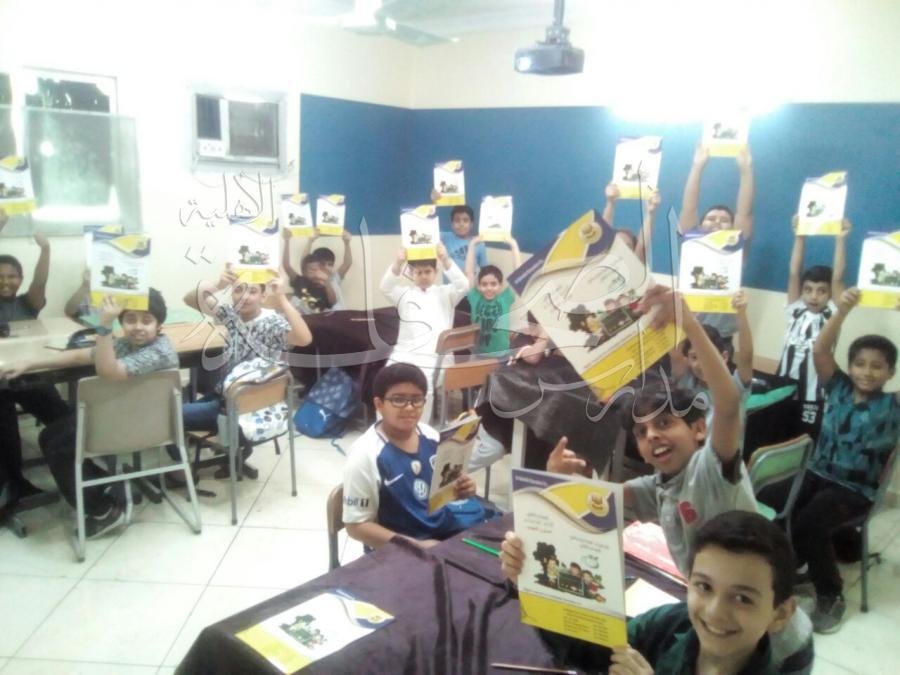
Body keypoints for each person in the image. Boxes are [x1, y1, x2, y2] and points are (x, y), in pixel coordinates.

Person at [500, 510, 803, 675]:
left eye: (743, 598)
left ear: (780, 613)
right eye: (704, 586)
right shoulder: (670, 624)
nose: (714, 611)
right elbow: (594, 648)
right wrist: (535, 584)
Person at [759, 288, 898, 634]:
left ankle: (830, 594)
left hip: (855, 490)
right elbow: (820, 349)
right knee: (768, 498)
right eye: (860, 364)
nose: (867, 372)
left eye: (877, 366)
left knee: (810, 522)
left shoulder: (893, 406)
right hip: (816, 473)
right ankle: (790, 563)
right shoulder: (837, 386)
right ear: (850, 366)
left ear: (890, 372)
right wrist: (843, 311)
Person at [0, 290, 178, 538]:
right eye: (130, 319)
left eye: (146, 321)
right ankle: (104, 486)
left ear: (159, 325)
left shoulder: (158, 351)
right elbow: (80, 356)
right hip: (124, 414)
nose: (138, 327)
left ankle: (103, 511)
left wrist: (104, 326)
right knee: (53, 434)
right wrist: (30, 363)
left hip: (143, 426)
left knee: (58, 442)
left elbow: (108, 372)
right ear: (122, 322)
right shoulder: (125, 344)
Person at [342, 362, 487, 549]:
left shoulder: (431, 435)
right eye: (398, 399)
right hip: (399, 549)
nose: (410, 407)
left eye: (417, 400)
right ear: (379, 404)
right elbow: (356, 526)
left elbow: (440, 491)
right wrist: (417, 546)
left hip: (441, 530)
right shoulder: (365, 455)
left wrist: (460, 489)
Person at [181, 265, 313, 436]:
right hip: (227, 395)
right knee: (175, 410)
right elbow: (189, 299)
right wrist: (219, 285)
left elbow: (304, 339)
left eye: (252, 291)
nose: (244, 297)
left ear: (263, 296)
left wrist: (281, 297)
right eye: (238, 290)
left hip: (246, 405)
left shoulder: (271, 323)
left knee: (172, 415)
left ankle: (182, 443)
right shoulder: (231, 315)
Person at [0, 224, 69, 503]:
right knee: (5, 429)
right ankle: (13, 484)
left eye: (12, 276)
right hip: (1, 382)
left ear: (20, 279)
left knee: (61, 413)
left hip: (28, 375)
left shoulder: (27, 304)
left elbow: (40, 283)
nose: (6, 282)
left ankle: (77, 468)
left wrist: (46, 249)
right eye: (0, 277)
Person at [777, 217, 849, 438]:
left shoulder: (832, 314)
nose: (813, 296)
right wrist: (800, 235)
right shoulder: (796, 309)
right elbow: (794, 273)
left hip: (813, 394)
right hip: (782, 387)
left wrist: (840, 239)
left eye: (821, 291)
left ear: (829, 294)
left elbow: (838, 278)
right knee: (778, 433)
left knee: (805, 438)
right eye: (808, 290)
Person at [380, 243, 469, 423]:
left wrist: (445, 258)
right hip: (404, 354)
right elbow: (385, 288)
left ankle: (419, 429)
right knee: (386, 380)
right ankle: (388, 427)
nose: (423, 276)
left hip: (435, 357)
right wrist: (397, 263)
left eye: (427, 271)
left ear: (435, 272)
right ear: (412, 274)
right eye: (418, 272)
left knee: (423, 385)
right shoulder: (404, 294)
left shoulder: (445, 293)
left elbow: (464, 286)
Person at [677, 144, 755, 342]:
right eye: (711, 218)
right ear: (700, 225)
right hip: (687, 330)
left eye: (724, 220)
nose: (717, 222)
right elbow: (689, 208)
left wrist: (746, 171)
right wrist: (697, 167)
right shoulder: (691, 244)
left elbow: (744, 213)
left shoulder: (736, 250)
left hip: (722, 335)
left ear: (732, 228)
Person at [674, 291, 754, 431]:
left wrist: (741, 312)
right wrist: (678, 310)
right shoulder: (687, 383)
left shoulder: (735, 386)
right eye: (694, 357)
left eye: (708, 356)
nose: (702, 364)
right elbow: (675, 354)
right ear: (688, 360)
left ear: (724, 357)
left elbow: (746, 356)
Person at [464, 235, 522, 358]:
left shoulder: (505, 299)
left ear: (501, 285)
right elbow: (469, 272)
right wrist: (472, 244)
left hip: (502, 355)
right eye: (484, 284)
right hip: (479, 354)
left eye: (493, 284)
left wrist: (513, 245)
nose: (489, 288)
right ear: (478, 286)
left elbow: (518, 274)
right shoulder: (475, 298)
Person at [601, 183, 660, 264]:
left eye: (627, 246)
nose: (620, 249)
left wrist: (651, 213)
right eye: (616, 243)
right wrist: (610, 202)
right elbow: (603, 237)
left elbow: (642, 247)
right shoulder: (599, 263)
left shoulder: (633, 266)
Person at [430, 194, 488, 274]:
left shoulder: (479, 243)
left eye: (465, 220)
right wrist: (434, 202)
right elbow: (428, 228)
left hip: (469, 281)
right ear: (452, 224)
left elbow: (485, 270)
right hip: (449, 282)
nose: (461, 224)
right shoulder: (446, 237)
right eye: (457, 220)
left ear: (471, 224)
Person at [281, 228, 333, 314]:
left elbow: (332, 303)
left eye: (318, 269)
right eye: (312, 270)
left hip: (315, 318)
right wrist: (287, 241)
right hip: (296, 316)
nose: (316, 273)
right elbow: (286, 265)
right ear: (304, 271)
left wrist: (327, 282)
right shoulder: (299, 280)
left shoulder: (323, 286)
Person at [302, 228, 353, 310]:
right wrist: (310, 241)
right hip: (323, 316)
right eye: (323, 264)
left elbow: (347, 263)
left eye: (330, 264)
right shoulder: (313, 281)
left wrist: (347, 243)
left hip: (341, 314)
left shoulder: (334, 278)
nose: (327, 267)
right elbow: (304, 262)